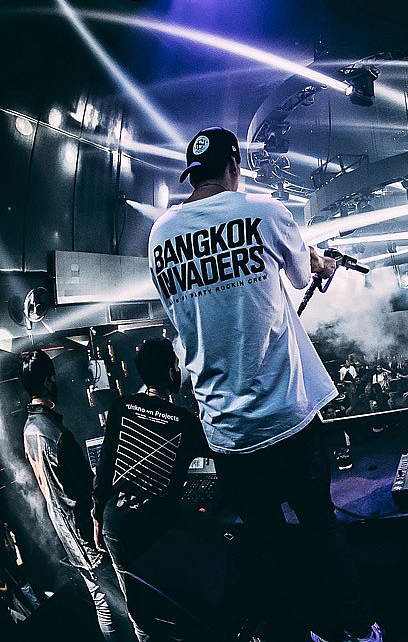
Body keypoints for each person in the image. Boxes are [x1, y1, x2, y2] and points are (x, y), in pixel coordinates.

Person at [147, 127, 380, 642]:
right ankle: (361, 631)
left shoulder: (160, 235)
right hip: (287, 418)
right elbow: (300, 276)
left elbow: (186, 309)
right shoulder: (266, 213)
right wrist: (319, 261)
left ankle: (316, 633)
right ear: (235, 166)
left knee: (274, 547)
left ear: (193, 176)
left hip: (227, 434)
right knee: (321, 529)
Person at [93, 337, 209, 641]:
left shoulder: (121, 406)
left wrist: (97, 515)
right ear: (171, 372)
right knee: (173, 608)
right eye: (177, 365)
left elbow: (105, 467)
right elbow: (221, 448)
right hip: (156, 531)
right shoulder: (184, 422)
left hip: (116, 524)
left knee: (139, 612)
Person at [20, 350, 136, 641]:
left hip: (65, 528)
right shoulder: (55, 433)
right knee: (110, 598)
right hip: (83, 530)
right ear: (48, 381)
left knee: (100, 595)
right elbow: (84, 491)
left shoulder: (29, 428)